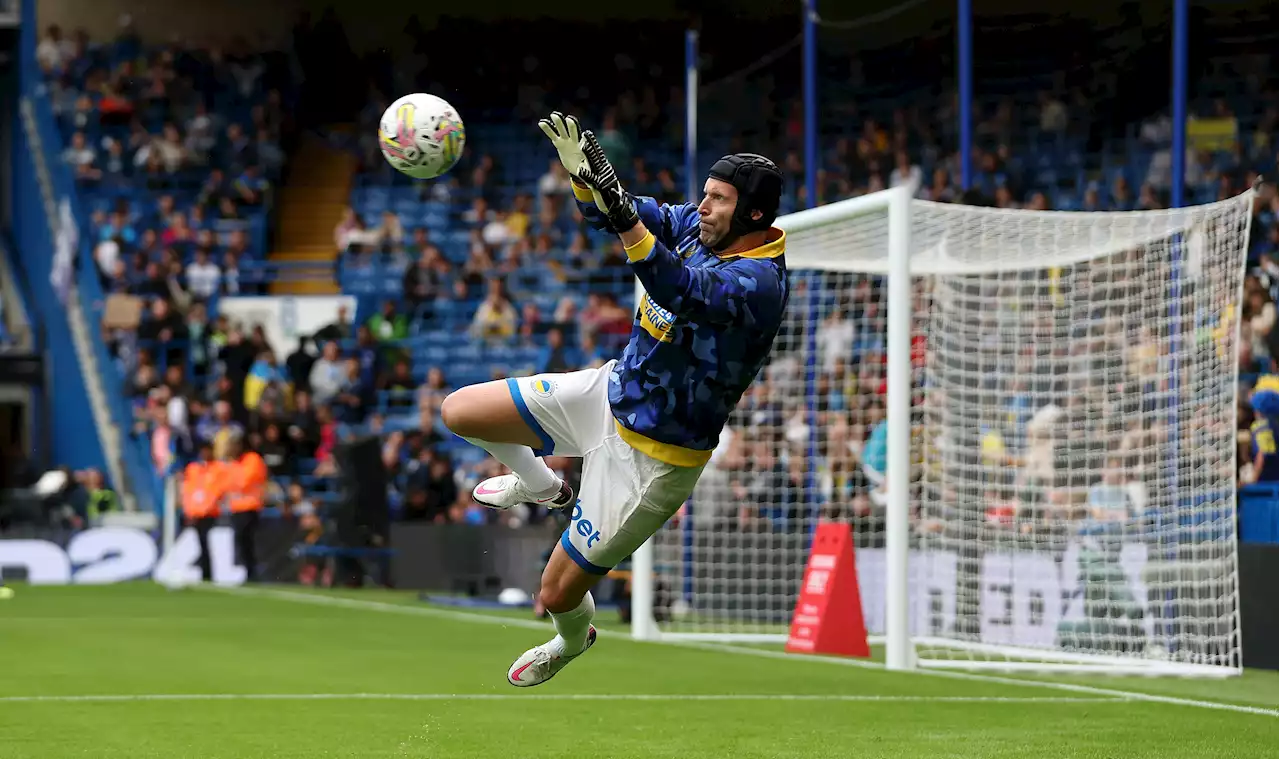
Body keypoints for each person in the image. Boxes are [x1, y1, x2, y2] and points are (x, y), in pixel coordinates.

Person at [441, 111, 789, 687]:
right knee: (460, 411)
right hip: (610, 391)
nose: (702, 206)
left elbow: (676, 286)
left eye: (718, 200)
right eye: (703, 195)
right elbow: (617, 214)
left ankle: (572, 640)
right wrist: (589, 180)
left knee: (554, 592)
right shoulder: (694, 225)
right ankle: (541, 483)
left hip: (654, 460)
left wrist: (624, 214)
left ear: (753, 215)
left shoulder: (761, 285)